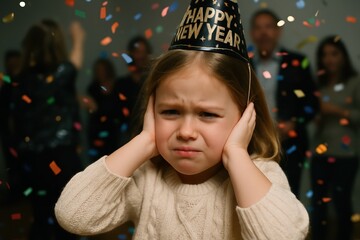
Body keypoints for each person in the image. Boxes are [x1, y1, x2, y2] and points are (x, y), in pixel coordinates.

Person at [55, 1, 309, 239]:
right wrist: (145, 141)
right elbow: (74, 216)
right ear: (151, 110)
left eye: (207, 114)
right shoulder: (146, 176)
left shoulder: (261, 173)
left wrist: (237, 155)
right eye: (170, 112)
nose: (186, 131)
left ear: (245, 118)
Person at [2, 19, 85, 240]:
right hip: (61, 156)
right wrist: (78, 38)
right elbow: (73, 63)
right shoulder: (63, 72)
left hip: (33, 159)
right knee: (69, 215)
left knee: (41, 213)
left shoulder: (19, 80)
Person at [249, 9, 319, 197]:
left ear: (278, 31)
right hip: (251, 142)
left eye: (269, 27)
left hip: (290, 143)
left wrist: (293, 123)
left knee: (289, 194)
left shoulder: (297, 62)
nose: (264, 32)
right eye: (258, 27)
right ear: (251, 33)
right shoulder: (242, 64)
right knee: (253, 194)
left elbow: (312, 102)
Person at [311, 36, 360, 240]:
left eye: (334, 54)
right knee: (319, 204)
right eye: (324, 55)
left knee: (341, 202)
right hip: (320, 151)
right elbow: (315, 118)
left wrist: (336, 111)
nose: (329, 59)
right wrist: (318, 115)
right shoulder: (318, 84)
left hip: (345, 154)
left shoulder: (355, 82)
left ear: (343, 56)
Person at [116, 35, 152, 145]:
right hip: (126, 133)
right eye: (137, 52)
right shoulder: (121, 83)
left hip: (148, 131)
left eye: (143, 52)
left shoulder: (152, 80)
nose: (140, 56)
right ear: (131, 54)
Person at [86, 58, 124, 162]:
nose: (101, 73)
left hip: (114, 129)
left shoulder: (118, 86)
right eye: (98, 70)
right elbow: (92, 109)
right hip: (97, 128)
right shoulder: (93, 88)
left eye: (103, 70)